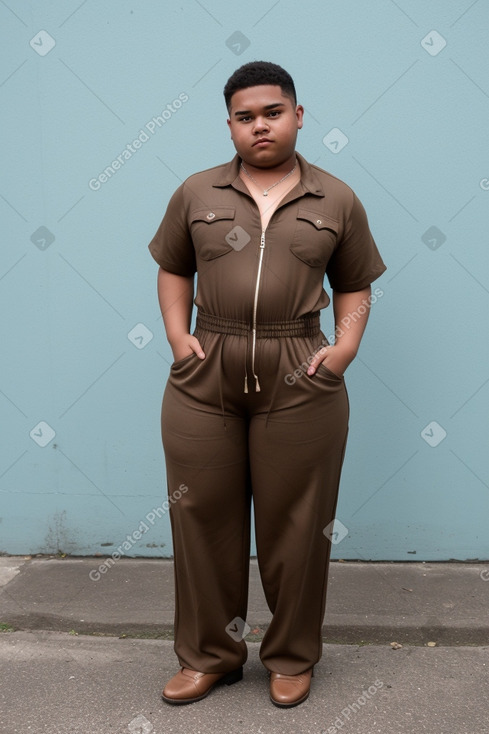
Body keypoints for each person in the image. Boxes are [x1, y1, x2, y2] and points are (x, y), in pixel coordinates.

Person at [148, 61, 386, 708]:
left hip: (298, 370)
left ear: (298, 115)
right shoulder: (197, 193)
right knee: (200, 518)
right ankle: (209, 655)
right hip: (206, 371)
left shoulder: (334, 199)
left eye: (272, 113)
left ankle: (288, 656)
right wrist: (178, 337)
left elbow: (356, 283)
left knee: (298, 525)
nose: (260, 126)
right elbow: (172, 267)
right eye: (245, 116)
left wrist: (344, 348)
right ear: (229, 124)